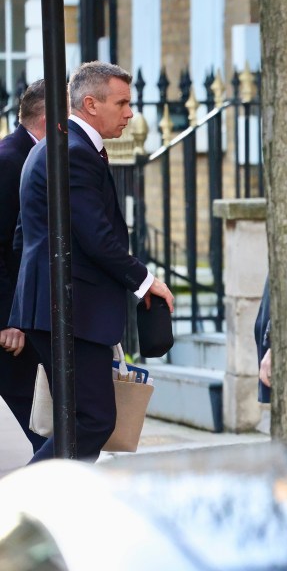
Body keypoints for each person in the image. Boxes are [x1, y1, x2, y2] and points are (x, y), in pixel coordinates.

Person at [9, 61, 175, 462]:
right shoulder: (72, 152)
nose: (130, 113)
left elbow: (23, 235)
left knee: (80, 419)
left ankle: (50, 506)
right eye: (121, 103)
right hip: (67, 310)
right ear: (90, 103)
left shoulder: (64, 146)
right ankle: (24, 501)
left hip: (61, 306)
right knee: (94, 418)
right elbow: (95, 235)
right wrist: (145, 280)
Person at [0, 80, 47, 453]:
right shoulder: (8, 159)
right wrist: (10, 318)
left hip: (33, 315)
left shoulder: (44, 156)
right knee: (39, 430)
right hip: (15, 325)